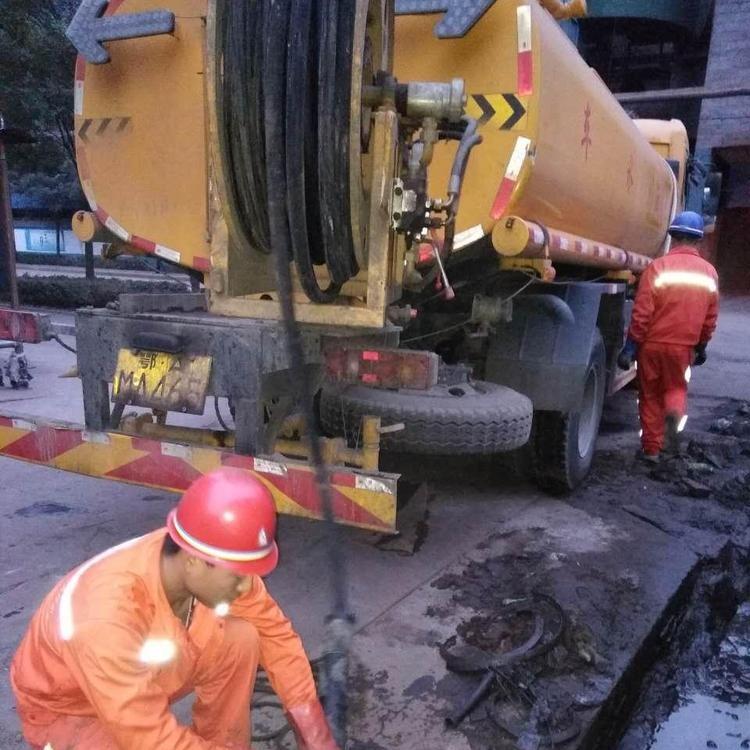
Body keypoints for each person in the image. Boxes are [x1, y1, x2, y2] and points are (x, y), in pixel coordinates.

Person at [10, 468, 339, 750]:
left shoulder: (199, 558)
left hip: (134, 676)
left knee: (242, 638)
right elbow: (152, 740)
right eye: (238, 577)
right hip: (71, 711)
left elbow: (277, 636)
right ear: (194, 560)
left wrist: (316, 736)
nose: (246, 587)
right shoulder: (104, 616)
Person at [618, 210, 719, 462]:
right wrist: (702, 345)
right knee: (675, 387)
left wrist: (631, 345)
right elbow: (710, 317)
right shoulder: (709, 273)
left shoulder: (657, 267)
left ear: (673, 237)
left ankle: (651, 450)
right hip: (683, 347)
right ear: (698, 240)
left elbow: (642, 312)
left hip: (652, 345)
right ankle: (674, 413)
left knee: (649, 394)